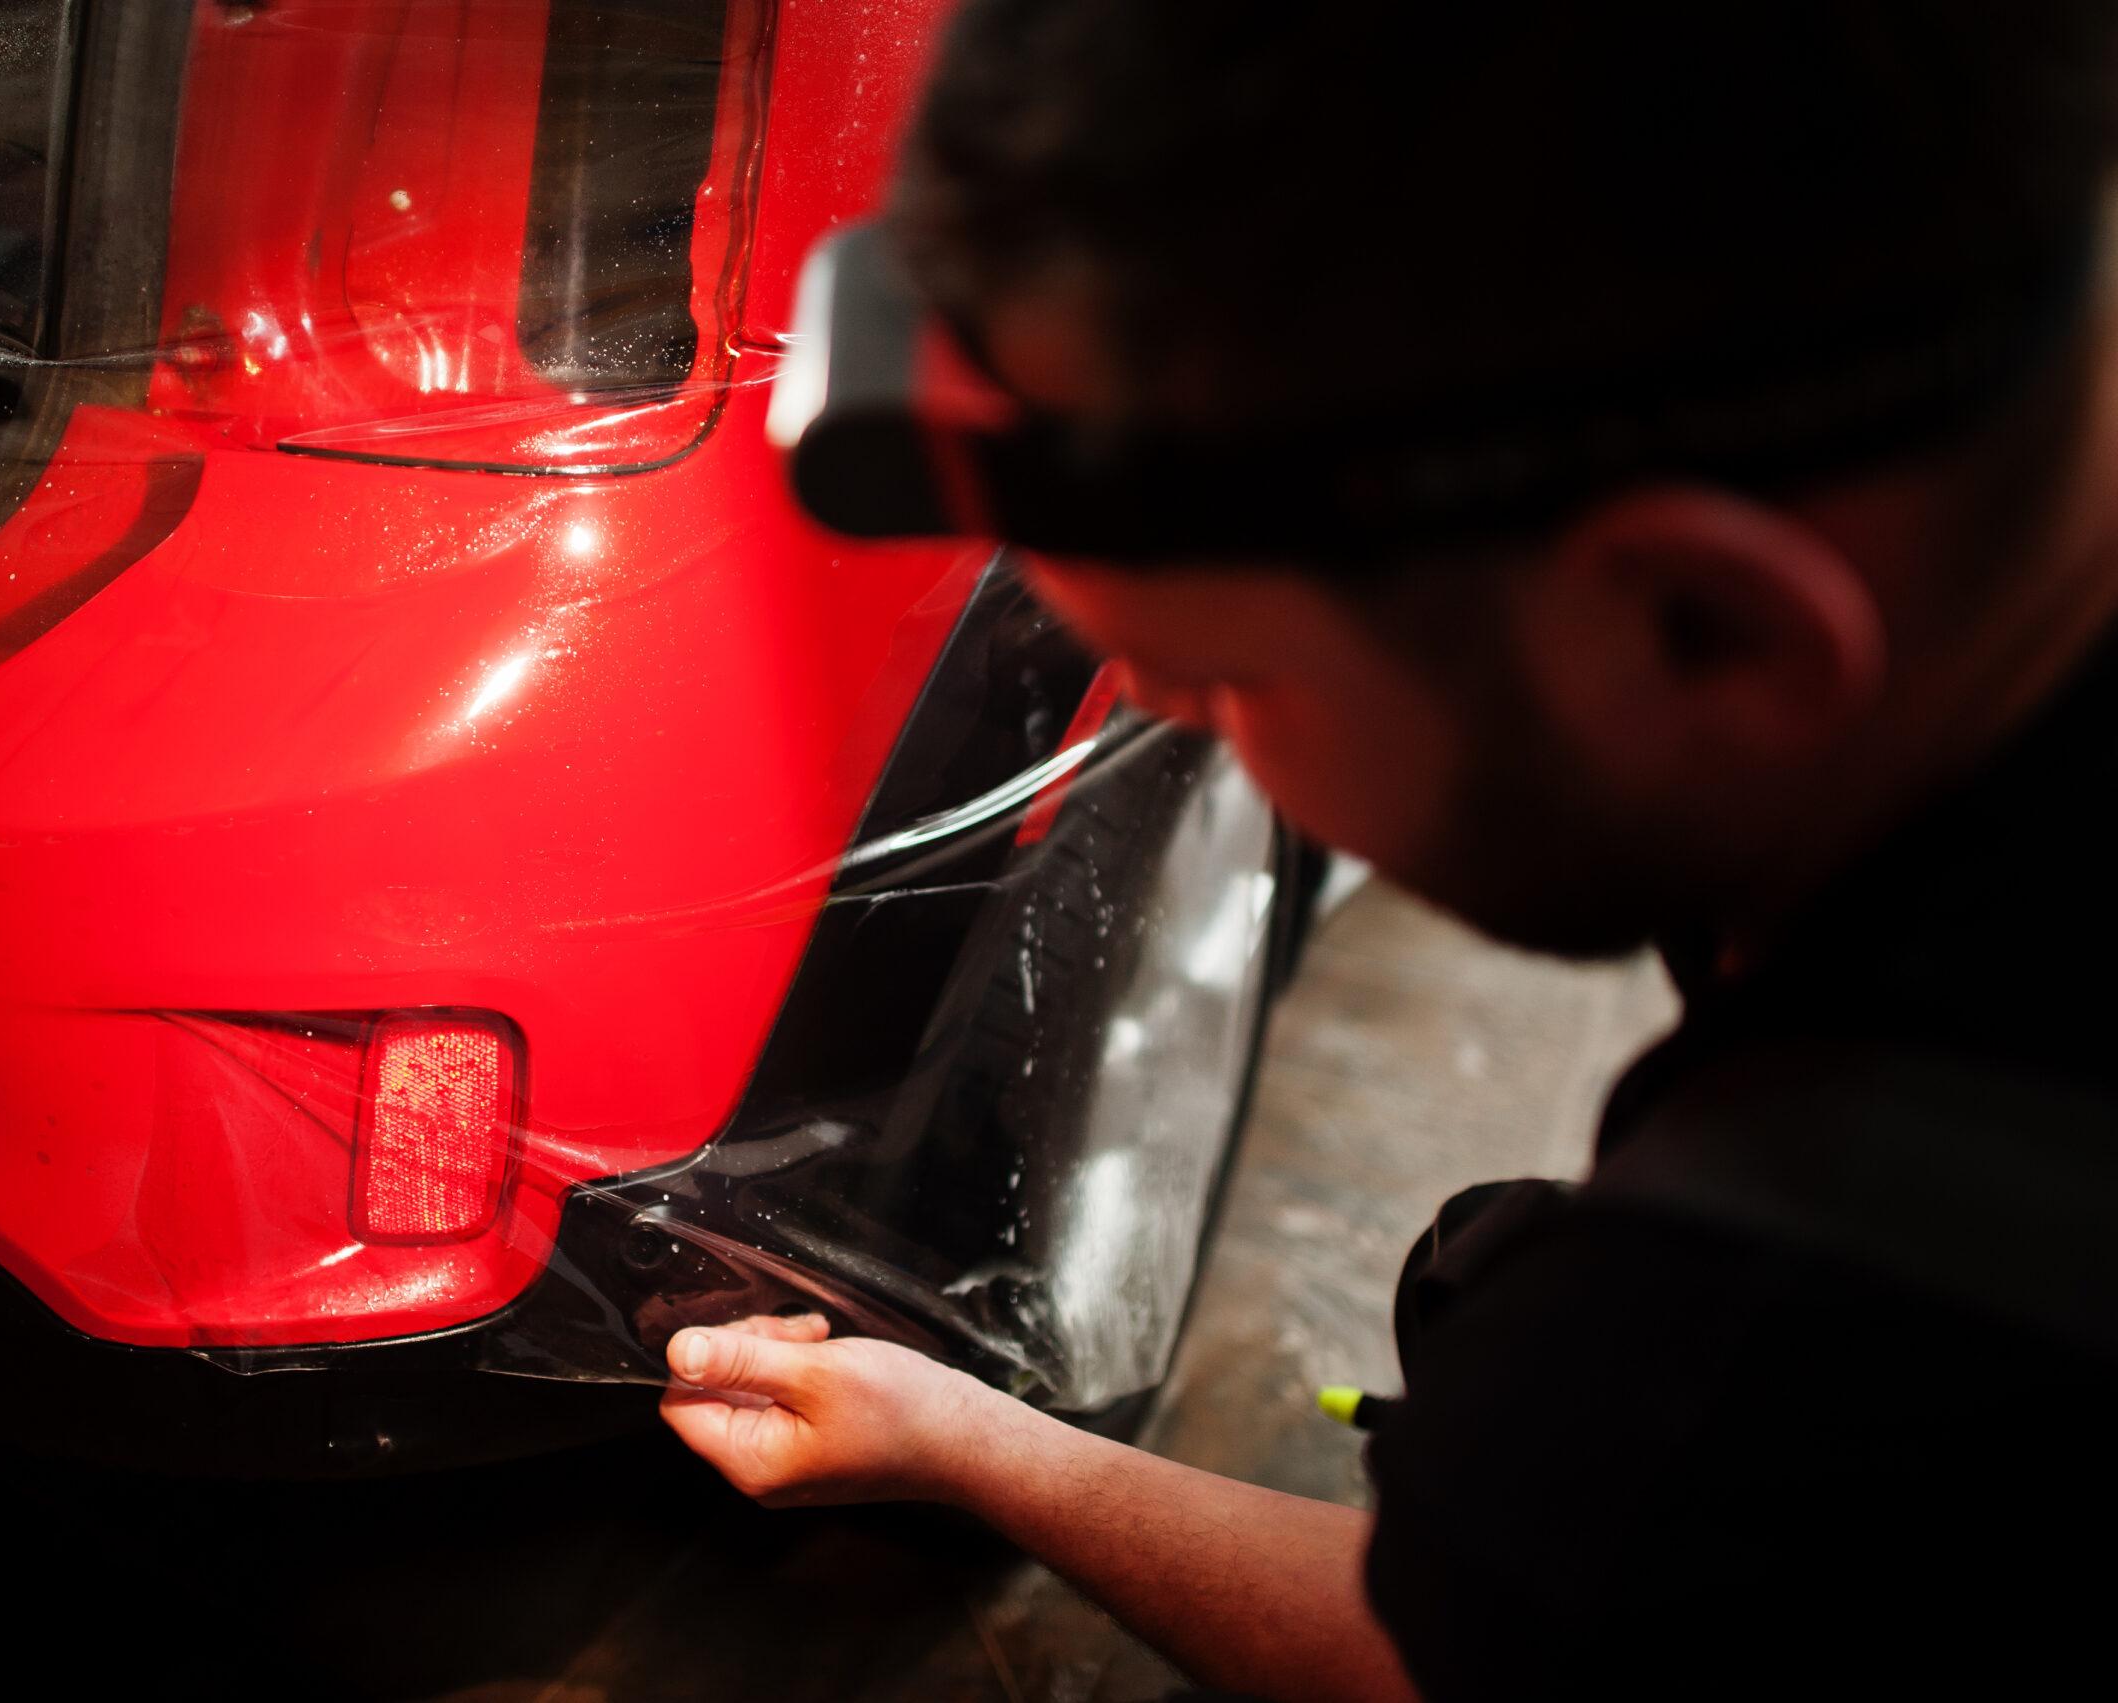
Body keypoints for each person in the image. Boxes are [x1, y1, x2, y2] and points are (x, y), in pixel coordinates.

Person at [658, 3, 2118, 1698]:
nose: (1166, 720)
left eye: (1226, 680)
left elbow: (1445, 1648)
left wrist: (989, 1452)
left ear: (1706, 635)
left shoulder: (1782, 1341)